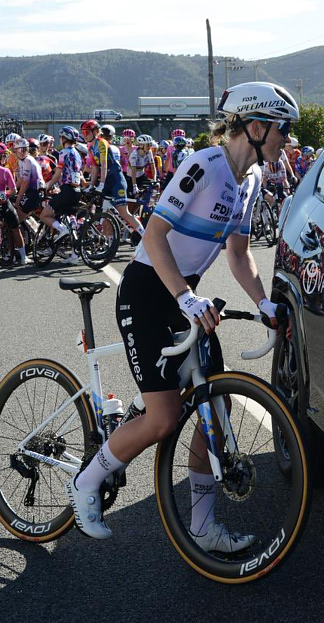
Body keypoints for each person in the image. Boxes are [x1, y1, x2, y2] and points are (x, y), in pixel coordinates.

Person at [66, 81, 296, 547]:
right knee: (163, 418)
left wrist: (263, 301)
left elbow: (238, 253)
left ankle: (203, 526)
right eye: (282, 130)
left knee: (218, 402)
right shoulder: (203, 165)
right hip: (150, 290)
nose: (287, 140)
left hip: (181, 293)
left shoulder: (250, 181)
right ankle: (85, 482)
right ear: (255, 127)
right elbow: (153, 237)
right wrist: (185, 298)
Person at [84, 122, 143, 245]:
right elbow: (95, 168)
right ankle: (110, 245)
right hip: (107, 182)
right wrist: (91, 185)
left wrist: (101, 184)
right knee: (106, 214)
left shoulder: (102, 143)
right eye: (82, 132)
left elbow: (104, 165)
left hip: (116, 180)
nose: (84, 135)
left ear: (95, 132)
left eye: (86, 132)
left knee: (123, 212)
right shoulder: (90, 146)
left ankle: (146, 236)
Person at [39, 127, 84, 256]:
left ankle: (62, 229)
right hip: (76, 190)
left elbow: (58, 174)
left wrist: (47, 187)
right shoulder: (77, 153)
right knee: (71, 221)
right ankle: (75, 255)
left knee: (44, 215)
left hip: (67, 190)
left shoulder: (63, 152)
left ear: (64, 138)